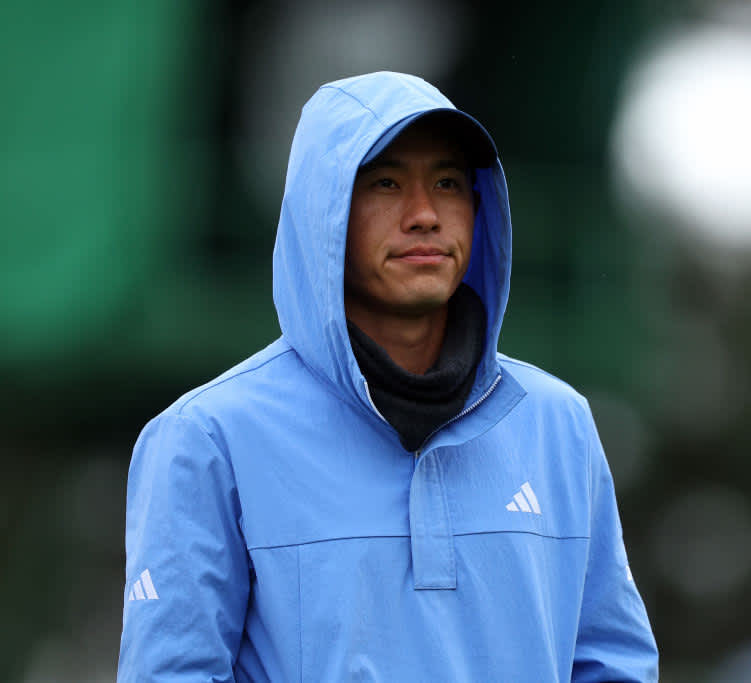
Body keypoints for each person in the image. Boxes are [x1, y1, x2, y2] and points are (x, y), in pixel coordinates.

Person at [118, 71, 658, 682]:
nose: (425, 214)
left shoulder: (558, 424)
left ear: (479, 212)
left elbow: (613, 666)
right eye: (386, 182)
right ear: (322, 216)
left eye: (448, 183)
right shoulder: (207, 438)